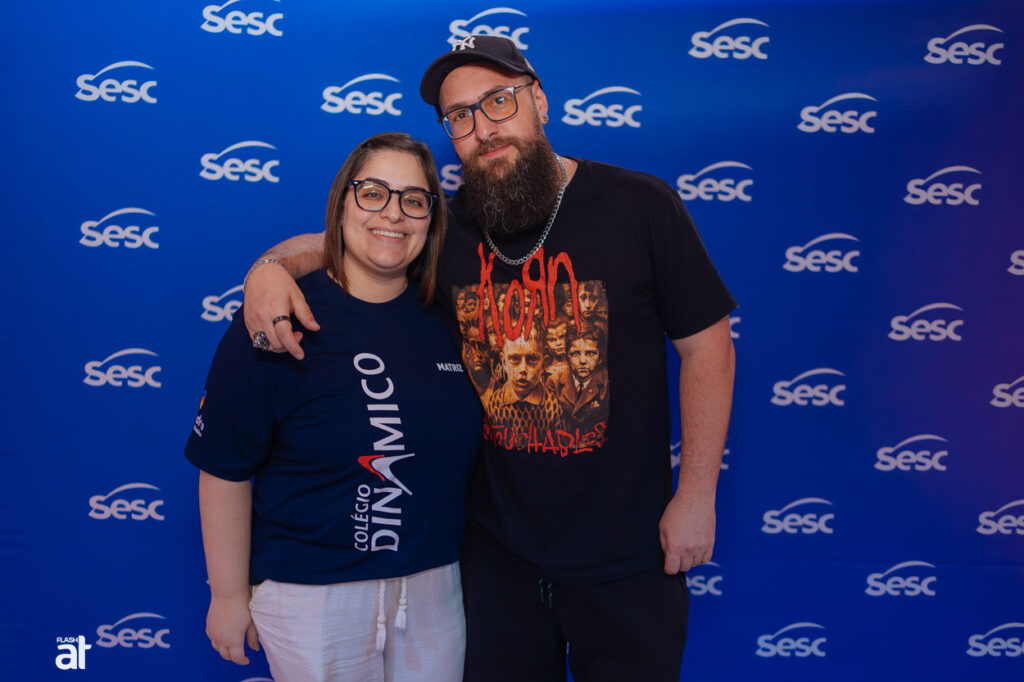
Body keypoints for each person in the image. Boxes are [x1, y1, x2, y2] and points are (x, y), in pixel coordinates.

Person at [242, 37, 736, 682]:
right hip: (496, 562)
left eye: (498, 101)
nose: (482, 127)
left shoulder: (641, 205)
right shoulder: (444, 229)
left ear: (539, 101)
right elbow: (347, 239)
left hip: (630, 555)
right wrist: (270, 268)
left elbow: (707, 347)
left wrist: (696, 495)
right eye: (460, 116)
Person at [185, 132, 481, 682]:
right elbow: (224, 468)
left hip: (434, 590)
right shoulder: (278, 316)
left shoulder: (449, 316)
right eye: (373, 193)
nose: (393, 213)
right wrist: (227, 596)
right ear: (342, 201)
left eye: (414, 199)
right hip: (311, 597)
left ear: (432, 218)